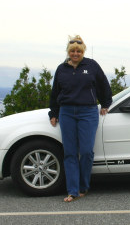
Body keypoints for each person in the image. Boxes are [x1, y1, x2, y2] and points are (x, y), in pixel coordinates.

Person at [48, 35, 112, 202]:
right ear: (68, 52)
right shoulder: (61, 69)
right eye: (72, 51)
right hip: (67, 112)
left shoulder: (91, 65)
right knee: (69, 153)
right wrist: (53, 113)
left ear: (83, 51)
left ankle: (84, 186)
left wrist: (106, 103)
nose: (75, 54)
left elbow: (104, 85)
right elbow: (55, 93)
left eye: (78, 51)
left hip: (88, 112)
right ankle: (73, 191)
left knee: (85, 152)